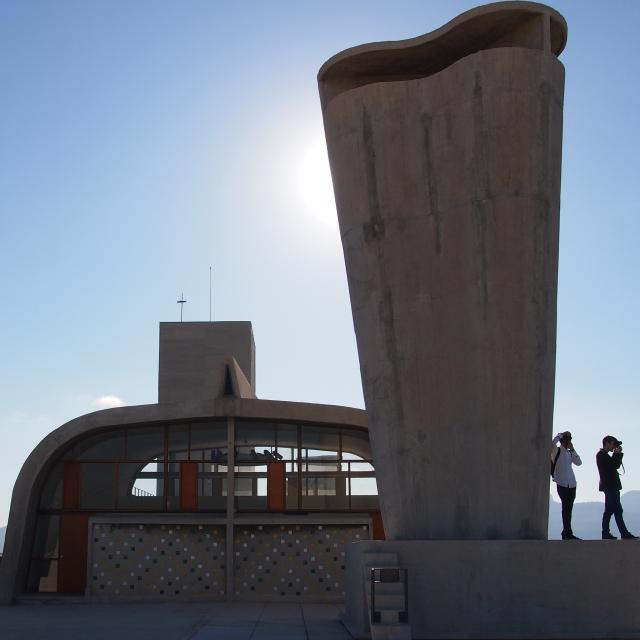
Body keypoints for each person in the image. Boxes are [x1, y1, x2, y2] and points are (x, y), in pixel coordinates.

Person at [596, 436, 638, 540]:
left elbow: (615, 465)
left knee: (609, 510)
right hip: (610, 487)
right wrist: (617, 454)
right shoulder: (601, 455)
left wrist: (617, 454)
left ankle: (605, 533)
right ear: (607, 443)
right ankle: (624, 533)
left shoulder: (604, 455)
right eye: (613, 444)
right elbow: (613, 466)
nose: (614, 446)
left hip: (611, 486)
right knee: (618, 510)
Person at [551, 431, 582, 540]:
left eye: (569, 440)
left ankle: (567, 532)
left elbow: (579, 462)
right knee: (565, 508)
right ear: (562, 441)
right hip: (562, 483)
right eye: (566, 440)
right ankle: (567, 532)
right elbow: (551, 444)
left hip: (572, 484)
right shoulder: (557, 451)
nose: (568, 442)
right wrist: (560, 434)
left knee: (569, 509)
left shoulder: (569, 453)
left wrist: (573, 449)